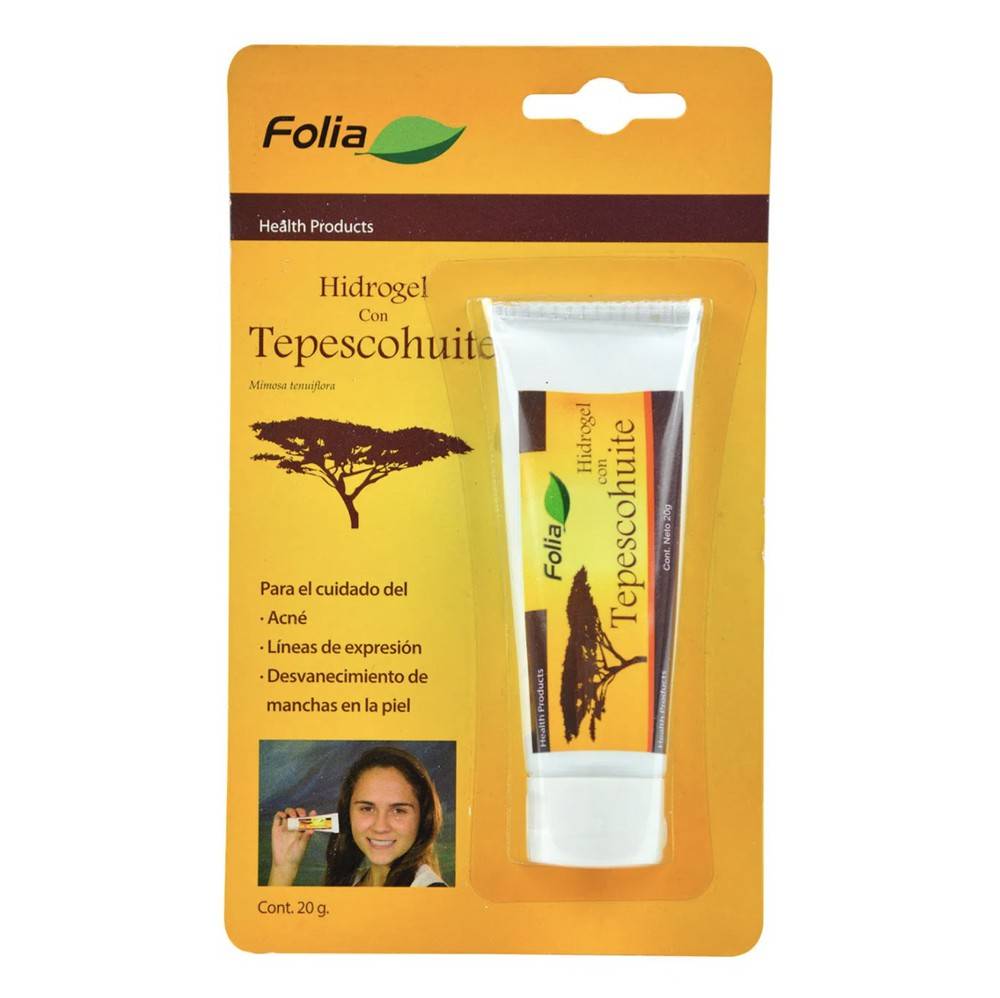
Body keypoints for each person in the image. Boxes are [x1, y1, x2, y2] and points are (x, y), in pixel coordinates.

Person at [267, 745, 447, 887]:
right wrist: (283, 868)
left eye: (398, 810)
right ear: (348, 815)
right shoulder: (352, 882)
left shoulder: (432, 894)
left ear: (424, 817)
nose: (380, 827)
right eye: (367, 809)